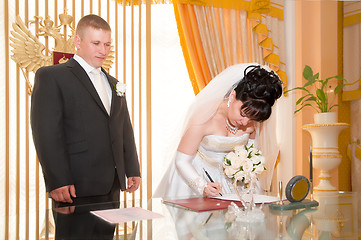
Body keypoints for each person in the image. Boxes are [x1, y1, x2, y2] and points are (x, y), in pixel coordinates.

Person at [31, 14, 141, 207]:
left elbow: (124, 128)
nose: (103, 50)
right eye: (96, 43)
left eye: (107, 44)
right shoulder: (52, 77)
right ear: (78, 41)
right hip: (74, 185)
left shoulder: (114, 83)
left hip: (112, 184)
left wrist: (132, 169)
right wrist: (57, 180)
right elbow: (46, 133)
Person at [154, 63, 283, 200]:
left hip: (235, 182)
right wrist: (202, 186)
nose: (245, 122)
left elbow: (249, 155)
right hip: (197, 175)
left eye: (252, 118)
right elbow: (182, 160)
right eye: (243, 114)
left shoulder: (253, 122)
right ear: (233, 96)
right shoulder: (204, 117)